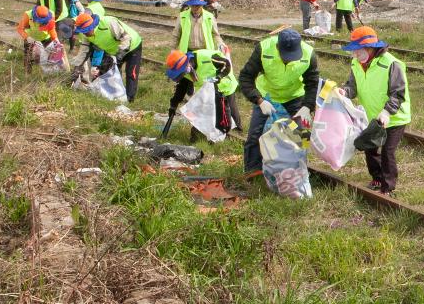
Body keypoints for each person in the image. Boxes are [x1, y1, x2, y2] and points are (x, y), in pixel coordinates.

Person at [237, 28, 320, 176]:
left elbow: (312, 83)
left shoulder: (308, 54)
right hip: (267, 96)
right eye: (286, 57)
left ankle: (297, 173)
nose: (289, 59)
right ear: (277, 47)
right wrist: (259, 101)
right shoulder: (264, 49)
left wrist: (307, 106)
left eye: (293, 56)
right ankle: (252, 172)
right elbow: (245, 77)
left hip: (295, 96)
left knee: (300, 136)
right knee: (255, 136)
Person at [339, 26, 410, 195]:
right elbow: (352, 86)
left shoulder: (392, 64)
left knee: (387, 151)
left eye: (358, 50)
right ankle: (377, 178)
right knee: (370, 148)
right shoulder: (357, 63)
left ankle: (388, 187)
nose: (355, 55)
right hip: (371, 115)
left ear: (370, 48)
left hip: (394, 117)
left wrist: (386, 112)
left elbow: (398, 93)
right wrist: (344, 92)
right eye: (353, 51)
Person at [164, 48, 239, 139]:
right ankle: (202, 136)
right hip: (207, 90)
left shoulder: (207, 57)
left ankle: (236, 132)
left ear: (187, 64)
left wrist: (218, 77)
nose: (183, 74)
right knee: (206, 112)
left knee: (231, 113)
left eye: (182, 72)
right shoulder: (187, 71)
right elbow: (181, 88)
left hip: (225, 85)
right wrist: (174, 104)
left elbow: (226, 64)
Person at [72, 11, 144, 102]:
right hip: (113, 51)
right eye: (82, 32)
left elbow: (126, 39)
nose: (85, 34)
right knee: (110, 73)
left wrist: (119, 56)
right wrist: (77, 66)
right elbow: (84, 51)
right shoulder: (85, 35)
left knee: (131, 73)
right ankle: (115, 96)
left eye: (86, 31)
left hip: (132, 46)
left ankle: (130, 99)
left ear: (92, 26)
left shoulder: (108, 23)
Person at [15, 5, 59, 72]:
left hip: (45, 37)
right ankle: (28, 73)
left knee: (49, 55)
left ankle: (47, 72)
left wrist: (55, 38)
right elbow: (20, 29)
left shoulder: (52, 14)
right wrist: (27, 37)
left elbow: (51, 29)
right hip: (31, 38)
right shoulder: (28, 15)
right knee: (28, 56)